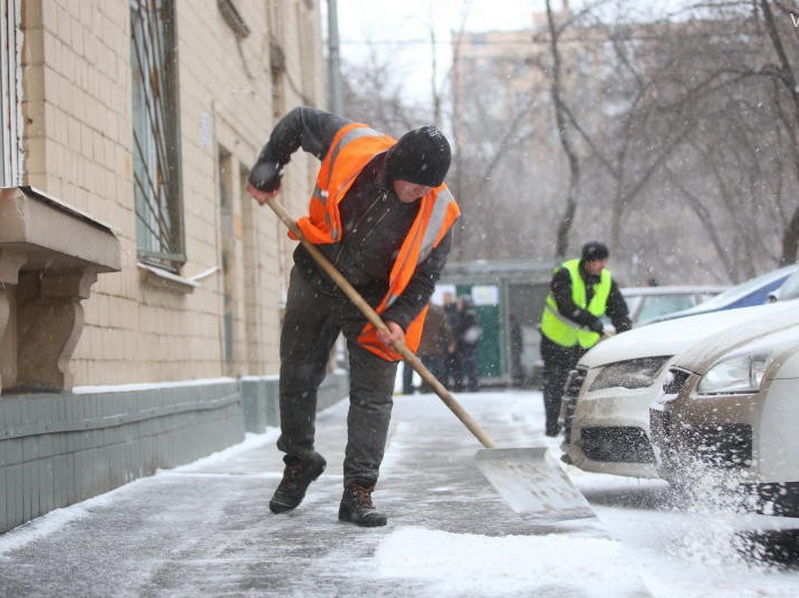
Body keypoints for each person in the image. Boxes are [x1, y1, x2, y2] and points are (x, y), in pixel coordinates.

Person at [246, 106, 459, 527]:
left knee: (373, 396)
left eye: (429, 187)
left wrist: (399, 318)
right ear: (396, 166)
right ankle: (299, 461)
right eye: (416, 185)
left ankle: (358, 491)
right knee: (298, 376)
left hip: (376, 303)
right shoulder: (353, 146)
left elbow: (425, 277)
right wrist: (268, 168)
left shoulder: (439, 212)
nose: (422, 193)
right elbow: (299, 121)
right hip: (316, 273)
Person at [539, 241, 632, 437]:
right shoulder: (565, 274)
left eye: (604, 261)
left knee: (580, 387)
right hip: (556, 339)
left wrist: (625, 334)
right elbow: (565, 305)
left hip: (584, 343)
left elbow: (618, 310)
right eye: (599, 261)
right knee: (555, 384)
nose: (603, 265)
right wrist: (590, 320)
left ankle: (573, 429)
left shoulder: (606, 280)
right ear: (588, 261)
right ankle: (552, 428)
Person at [417, 301, 455, 392]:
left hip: (423, 346)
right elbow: (446, 328)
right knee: (438, 369)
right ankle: (439, 388)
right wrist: (450, 342)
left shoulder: (419, 311)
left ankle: (425, 388)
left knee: (424, 369)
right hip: (437, 345)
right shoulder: (438, 310)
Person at [454, 294, 481, 392]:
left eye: (459, 303)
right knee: (468, 365)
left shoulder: (468, 315)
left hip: (467, 344)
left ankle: (473, 385)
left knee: (470, 365)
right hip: (465, 344)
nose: (457, 306)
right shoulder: (465, 314)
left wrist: (460, 338)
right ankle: (471, 384)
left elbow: (467, 330)